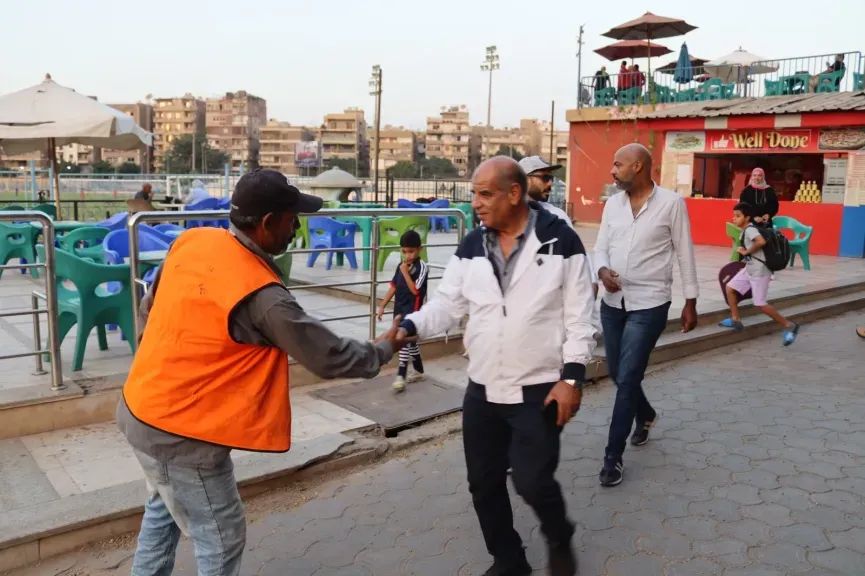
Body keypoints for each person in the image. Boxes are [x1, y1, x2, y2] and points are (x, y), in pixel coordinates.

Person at [117, 168, 409, 576]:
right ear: (269, 222)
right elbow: (328, 356)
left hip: (141, 408)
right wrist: (381, 350)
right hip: (182, 434)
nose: (297, 228)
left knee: (163, 512)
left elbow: (151, 307)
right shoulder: (263, 296)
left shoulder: (194, 241)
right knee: (222, 536)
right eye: (292, 219)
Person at [398, 156, 596, 575]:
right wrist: (410, 324)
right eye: (473, 194)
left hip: (539, 387)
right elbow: (449, 306)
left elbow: (580, 316)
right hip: (483, 387)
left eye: (485, 194)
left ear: (514, 193)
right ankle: (509, 560)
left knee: (531, 481)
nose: (476, 203)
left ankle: (559, 534)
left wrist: (572, 377)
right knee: (483, 483)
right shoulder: (471, 245)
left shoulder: (561, 241)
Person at [594, 143, 699, 487]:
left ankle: (613, 457)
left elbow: (684, 253)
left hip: (650, 303)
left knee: (627, 377)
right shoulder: (612, 204)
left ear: (638, 166)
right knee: (618, 374)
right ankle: (647, 414)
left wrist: (691, 300)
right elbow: (600, 247)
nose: (612, 170)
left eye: (617, 164)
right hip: (613, 303)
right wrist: (602, 271)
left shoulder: (671, 204)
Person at [719, 202, 800, 345]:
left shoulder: (750, 230)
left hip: (760, 272)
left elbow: (761, 241)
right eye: (734, 216)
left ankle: (789, 325)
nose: (734, 219)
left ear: (747, 217)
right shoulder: (746, 230)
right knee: (730, 288)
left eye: (738, 216)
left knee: (760, 304)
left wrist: (746, 252)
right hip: (749, 269)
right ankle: (735, 319)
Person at [377, 230, 429, 392]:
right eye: (404, 251)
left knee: (403, 341)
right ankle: (419, 370)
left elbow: (415, 290)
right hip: (400, 308)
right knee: (410, 341)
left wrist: (405, 272)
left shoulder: (422, 268)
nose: (408, 255)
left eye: (411, 251)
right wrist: (382, 305)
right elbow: (393, 286)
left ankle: (401, 376)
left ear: (419, 249)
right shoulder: (401, 266)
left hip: (413, 311)